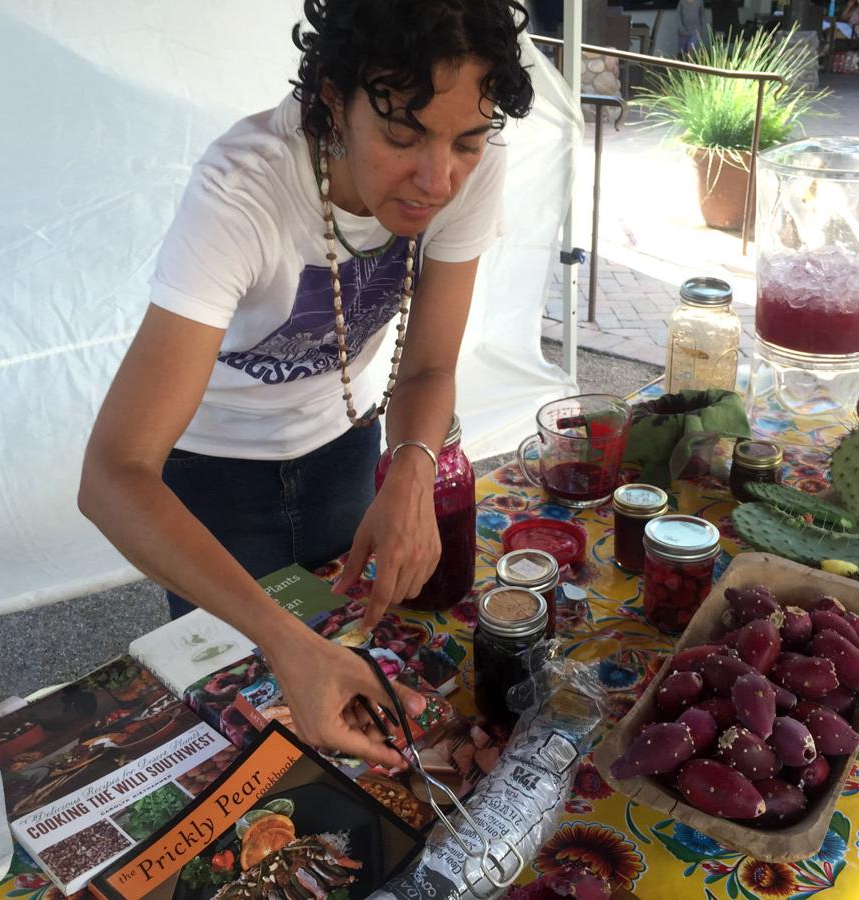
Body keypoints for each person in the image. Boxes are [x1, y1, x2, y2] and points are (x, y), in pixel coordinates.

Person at [78, 0, 534, 768]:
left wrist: (412, 467)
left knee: (360, 696)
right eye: (402, 134)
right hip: (210, 486)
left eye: (467, 141)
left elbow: (428, 366)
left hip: (346, 452)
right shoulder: (243, 189)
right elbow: (112, 476)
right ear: (331, 100)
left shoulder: (461, 163)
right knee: (241, 727)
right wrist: (283, 638)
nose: (436, 178)